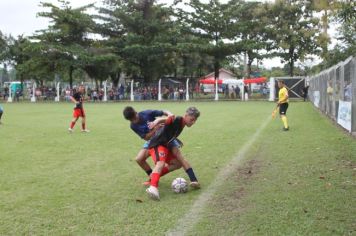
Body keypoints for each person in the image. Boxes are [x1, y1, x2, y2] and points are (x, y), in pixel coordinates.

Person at [145, 107, 201, 200]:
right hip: (157, 144)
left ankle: (193, 180)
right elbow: (169, 119)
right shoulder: (179, 119)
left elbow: (168, 130)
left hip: (165, 145)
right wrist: (157, 121)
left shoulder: (182, 124)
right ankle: (153, 188)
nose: (193, 122)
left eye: (195, 121)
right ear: (186, 116)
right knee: (160, 163)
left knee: (178, 163)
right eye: (192, 119)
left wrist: (175, 140)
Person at [123, 106, 175, 184]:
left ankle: (155, 175)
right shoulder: (133, 126)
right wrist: (155, 129)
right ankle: (151, 176)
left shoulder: (146, 113)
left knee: (166, 162)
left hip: (162, 138)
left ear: (136, 112)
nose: (134, 121)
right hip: (151, 141)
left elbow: (164, 112)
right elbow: (146, 138)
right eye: (131, 120)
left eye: (134, 118)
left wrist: (170, 114)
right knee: (139, 159)